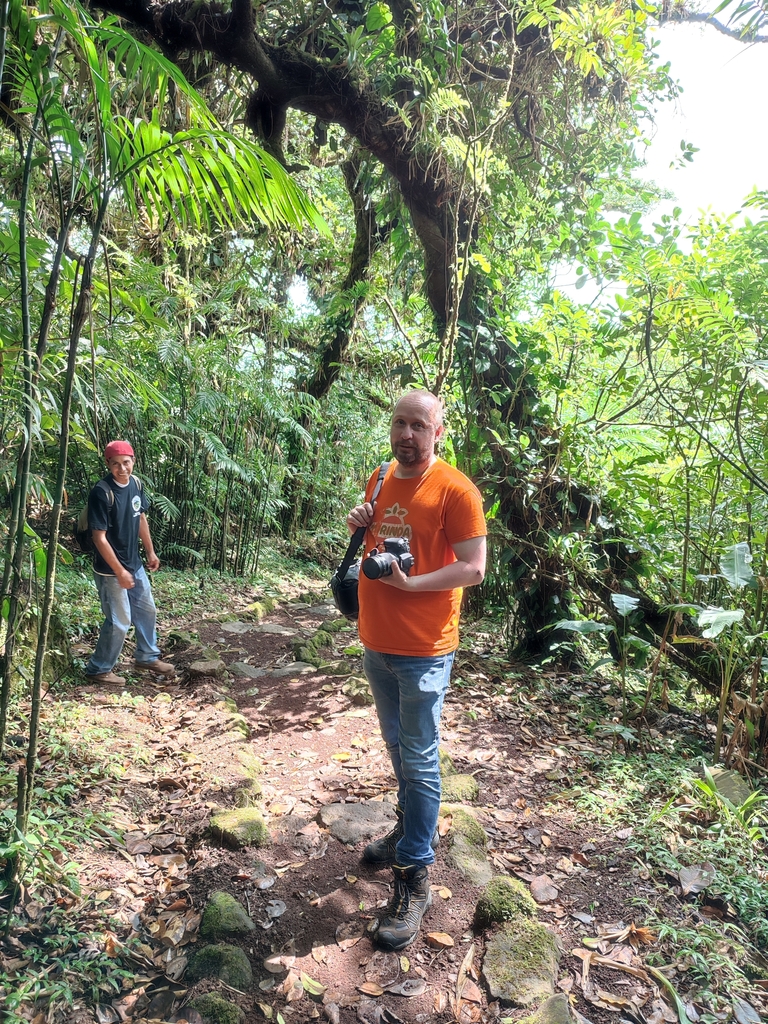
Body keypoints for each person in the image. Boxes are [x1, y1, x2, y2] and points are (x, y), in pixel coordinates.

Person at [346, 390, 487, 951]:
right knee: (397, 749)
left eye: (418, 425)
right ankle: (408, 828)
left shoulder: (456, 490)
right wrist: (361, 521)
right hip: (376, 639)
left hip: (425, 648)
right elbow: (376, 544)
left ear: (438, 431)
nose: (406, 434)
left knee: (421, 760)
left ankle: (414, 875)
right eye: (399, 423)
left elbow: (473, 569)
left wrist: (411, 585)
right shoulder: (380, 477)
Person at [84, 440, 175, 684]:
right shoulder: (101, 492)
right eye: (116, 464)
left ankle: (147, 657)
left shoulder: (136, 483)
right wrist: (120, 571)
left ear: (133, 461)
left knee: (147, 610)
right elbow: (99, 538)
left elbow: (140, 517)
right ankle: (98, 669)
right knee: (120, 622)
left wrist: (150, 552)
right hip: (110, 570)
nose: (122, 468)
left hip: (134, 563)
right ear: (108, 464)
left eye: (126, 462)